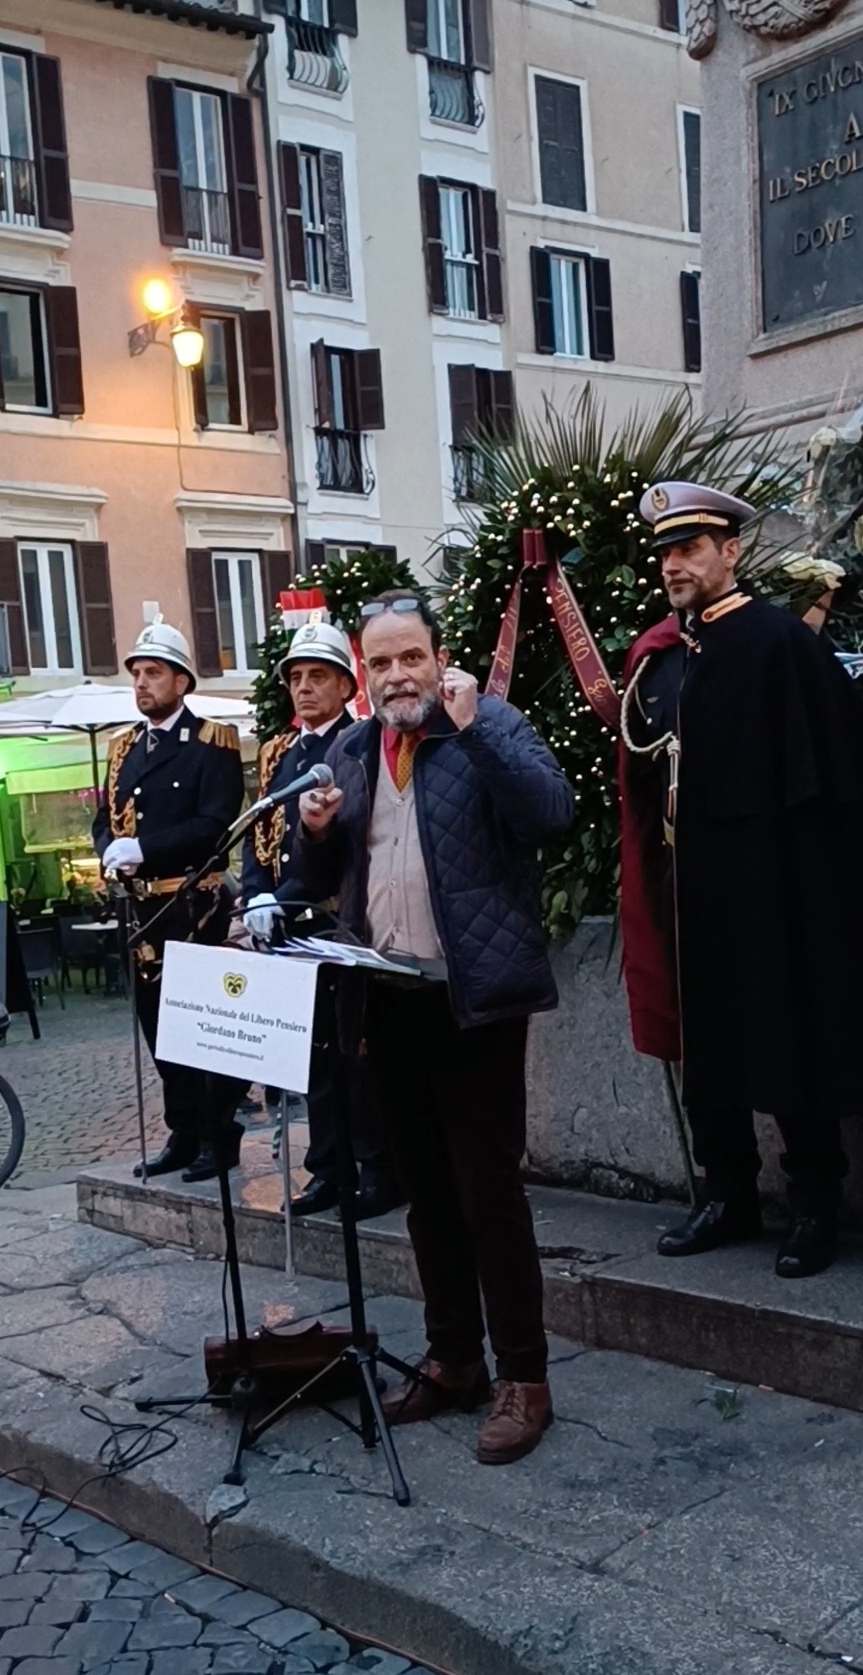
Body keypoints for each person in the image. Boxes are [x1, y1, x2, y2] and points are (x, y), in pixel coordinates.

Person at [295, 590, 575, 1465]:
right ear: (363, 671)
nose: (395, 676)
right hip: (388, 998)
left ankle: (523, 1378)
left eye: (409, 656)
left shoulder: (487, 721)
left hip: (474, 999)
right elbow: (326, 874)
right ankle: (455, 1356)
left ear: (437, 655)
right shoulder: (350, 748)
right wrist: (312, 834)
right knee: (423, 1195)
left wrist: (478, 729)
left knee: (487, 1192)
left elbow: (552, 816)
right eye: (378, 663)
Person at [619, 483, 863, 1278]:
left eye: (690, 549)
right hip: (696, 881)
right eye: (666, 553)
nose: (674, 564)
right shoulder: (667, 656)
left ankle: (815, 1202)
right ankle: (727, 1193)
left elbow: (843, 780)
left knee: (791, 1030)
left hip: (776, 884)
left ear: (731, 552)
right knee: (705, 1033)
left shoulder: (783, 643)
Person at [241, 622, 401, 1222]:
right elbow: (259, 835)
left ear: (344, 684)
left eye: (318, 677)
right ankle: (329, 1169)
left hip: (340, 924)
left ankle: (378, 1167)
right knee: (311, 1059)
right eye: (296, 679)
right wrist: (257, 892)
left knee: (355, 1057)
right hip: (289, 927)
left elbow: (350, 840)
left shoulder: (360, 743)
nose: (304, 689)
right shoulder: (279, 754)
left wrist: (282, 894)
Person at [93, 618, 249, 1184]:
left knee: (202, 1026)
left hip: (191, 905)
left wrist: (147, 848)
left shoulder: (211, 743)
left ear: (182, 681)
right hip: (140, 911)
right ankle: (183, 1130)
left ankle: (218, 1131)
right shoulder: (122, 749)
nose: (142, 683)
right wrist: (112, 849)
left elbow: (214, 824)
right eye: (137, 673)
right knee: (158, 1029)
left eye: (153, 673)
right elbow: (103, 820)